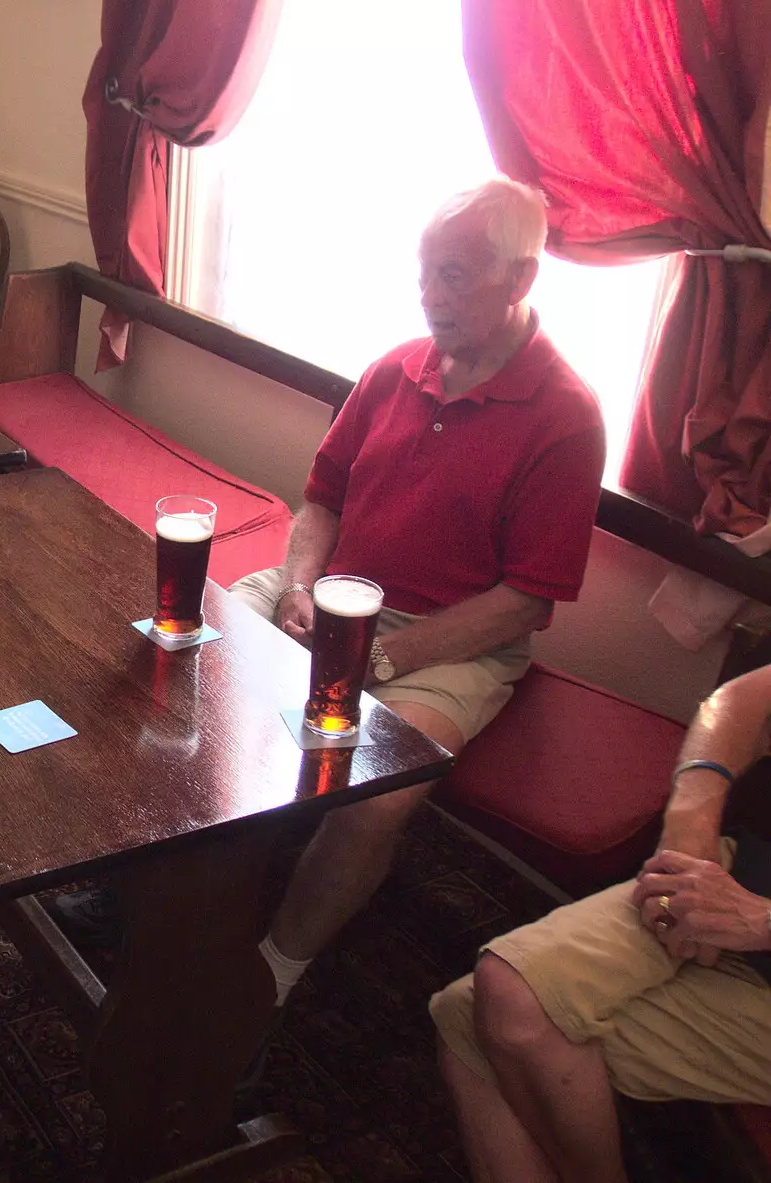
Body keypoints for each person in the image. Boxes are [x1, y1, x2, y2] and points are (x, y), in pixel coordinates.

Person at [227, 178, 606, 1018]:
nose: (432, 298)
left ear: (520, 279)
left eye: (456, 277)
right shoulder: (395, 367)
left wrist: (385, 656)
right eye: (426, 273)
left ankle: (271, 974)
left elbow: (527, 602)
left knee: (381, 793)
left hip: (452, 641)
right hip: (329, 596)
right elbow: (320, 501)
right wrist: (297, 589)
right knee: (186, 655)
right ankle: (158, 881)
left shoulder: (566, 416)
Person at [431, 664, 771, 1183]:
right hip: (742, 876)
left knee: (475, 1020)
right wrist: (690, 825)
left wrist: (763, 922)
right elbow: (745, 698)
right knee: (498, 995)